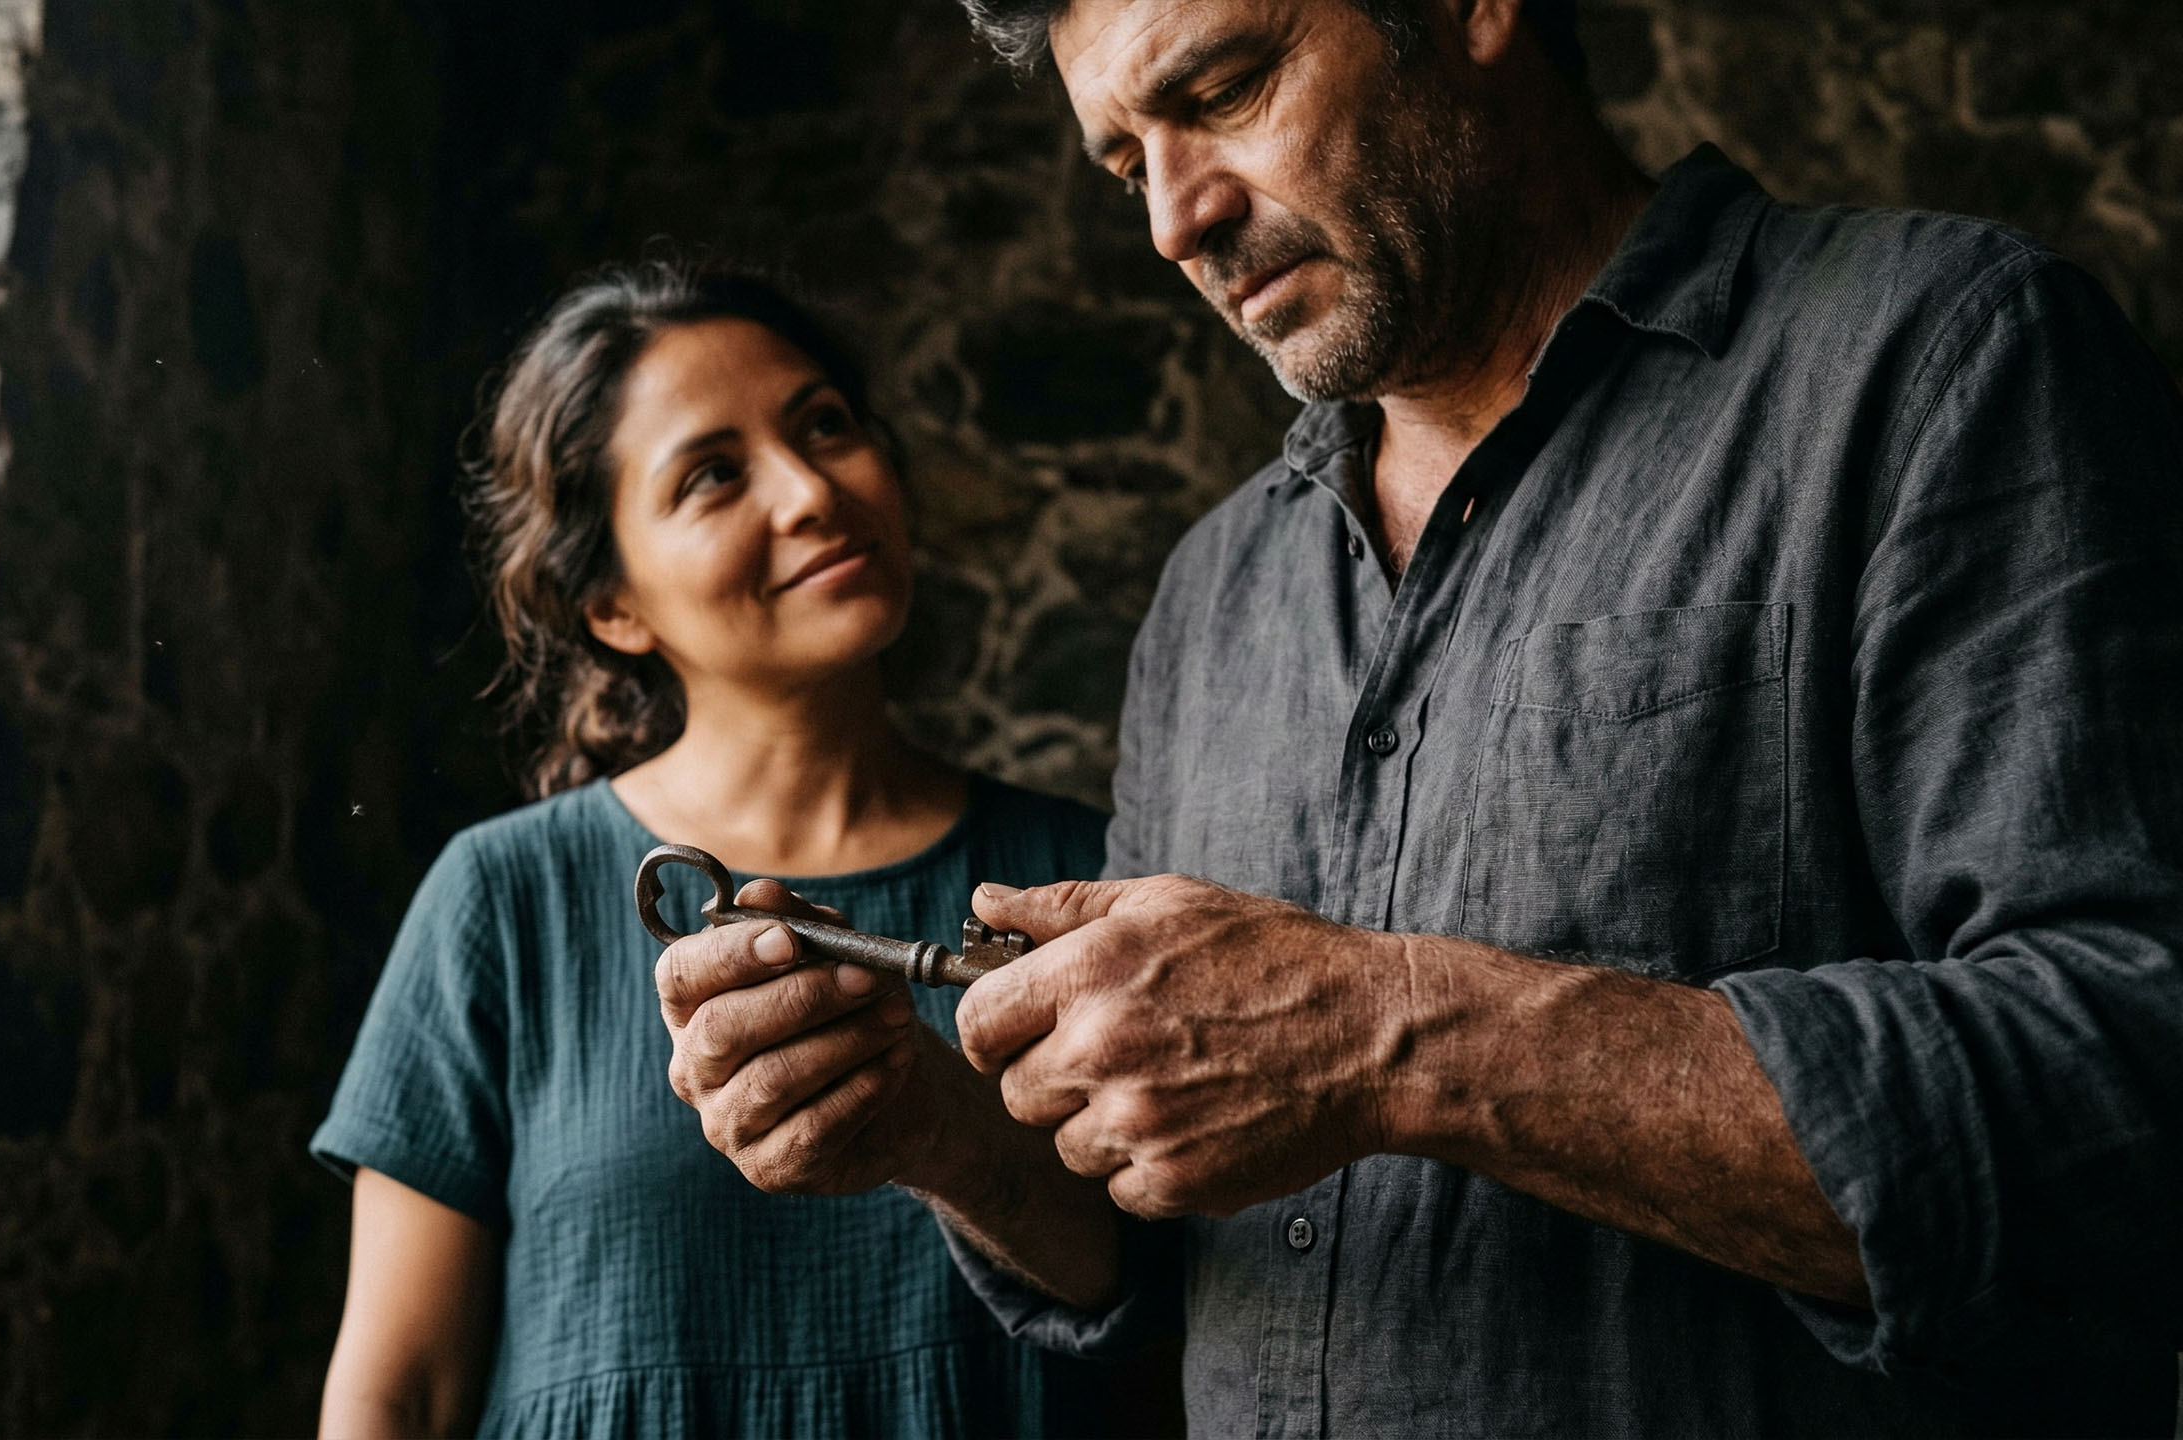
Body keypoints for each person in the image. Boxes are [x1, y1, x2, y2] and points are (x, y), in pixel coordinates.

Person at [652, 0, 2183, 1435]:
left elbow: (2125, 1108)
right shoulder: (1212, 595)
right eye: (1129, 159)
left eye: (1223, 91)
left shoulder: (1943, 361)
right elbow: (1186, 1275)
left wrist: (1392, 1034)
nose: (1176, 217)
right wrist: (943, 1136)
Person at [309, 263, 1112, 1438]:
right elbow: (398, 1392)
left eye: (825, 426)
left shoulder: (1083, 869)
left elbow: (1175, 1314)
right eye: (711, 476)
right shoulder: (502, 900)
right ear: (612, 606)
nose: (808, 492)